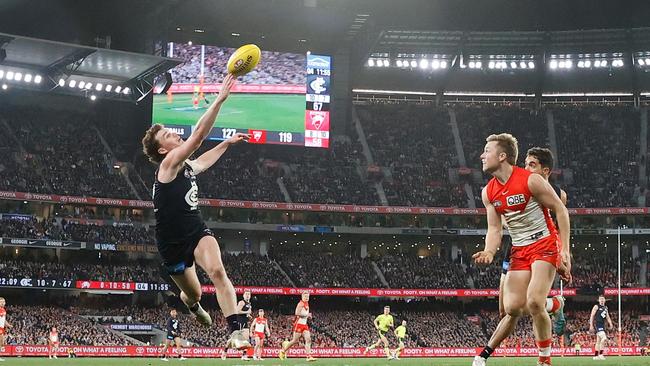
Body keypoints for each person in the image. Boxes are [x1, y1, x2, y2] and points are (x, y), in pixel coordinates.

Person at [141, 73, 250, 346]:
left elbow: (202, 161)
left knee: (217, 270)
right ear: (163, 151)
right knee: (195, 294)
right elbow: (199, 137)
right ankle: (193, 306)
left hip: (196, 230)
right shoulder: (167, 167)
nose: (175, 134)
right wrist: (219, 101)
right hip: (171, 245)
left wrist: (226, 143)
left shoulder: (185, 165)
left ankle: (236, 331)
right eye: (168, 135)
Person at [472, 134, 571, 366]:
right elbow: (495, 228)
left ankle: (544, 360)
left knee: (535, 302)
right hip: (519, 249)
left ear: (502, 156)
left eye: (487, 150)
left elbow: (560, 210)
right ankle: (555, 304)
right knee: (513, 308)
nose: (482, 155)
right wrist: (489, 251)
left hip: (544, 244)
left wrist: (564, 250)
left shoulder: (531, 181)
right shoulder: (488, 192)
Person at [278, 292, 316, 362]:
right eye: (305, 297)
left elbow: (305, 313)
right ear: (302, 297)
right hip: (298, 324)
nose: (307, 298)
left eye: (308, 297)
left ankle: (308, 356)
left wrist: (308, 315)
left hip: (304, 325)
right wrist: (306, 315)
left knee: (308, 339)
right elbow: (297, 313)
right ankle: (283, 351)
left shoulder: (307, 303)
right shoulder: (300, 304)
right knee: (295, 341)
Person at [221, 290, 254, 360]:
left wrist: (248, 316)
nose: (248, 295)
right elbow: (238, 311)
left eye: (249, 294)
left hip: (245, 322)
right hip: (239, 321)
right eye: (246, 294)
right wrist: (247, 312)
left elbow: (246, 313)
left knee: (246, 338)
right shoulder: (242, 302)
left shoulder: (249, 303)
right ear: (243, 295)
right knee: (233, 339)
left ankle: (244, 355)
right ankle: (225, 351)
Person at [590, 295, 613, 360]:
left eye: (603, 299)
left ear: (605, 300)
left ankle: (596, 356)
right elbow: (592, 316)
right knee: (604, 338)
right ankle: (600, 354)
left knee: (598, 341)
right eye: (601, 299)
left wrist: (610, 324)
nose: (602, 300)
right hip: (598, 324)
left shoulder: (606, 308)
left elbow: (607, 317)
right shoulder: (596, 306)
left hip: (603, 325)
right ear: (599, 300)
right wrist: (591, 325)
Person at [0, 297, 11, 362]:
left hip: (2, 328)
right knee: (1, 341)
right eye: (2, 302)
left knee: (2, 343)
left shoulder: (3, 310)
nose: (3, 303)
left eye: (4, 302)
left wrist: (8, 325)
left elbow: (4, 320)